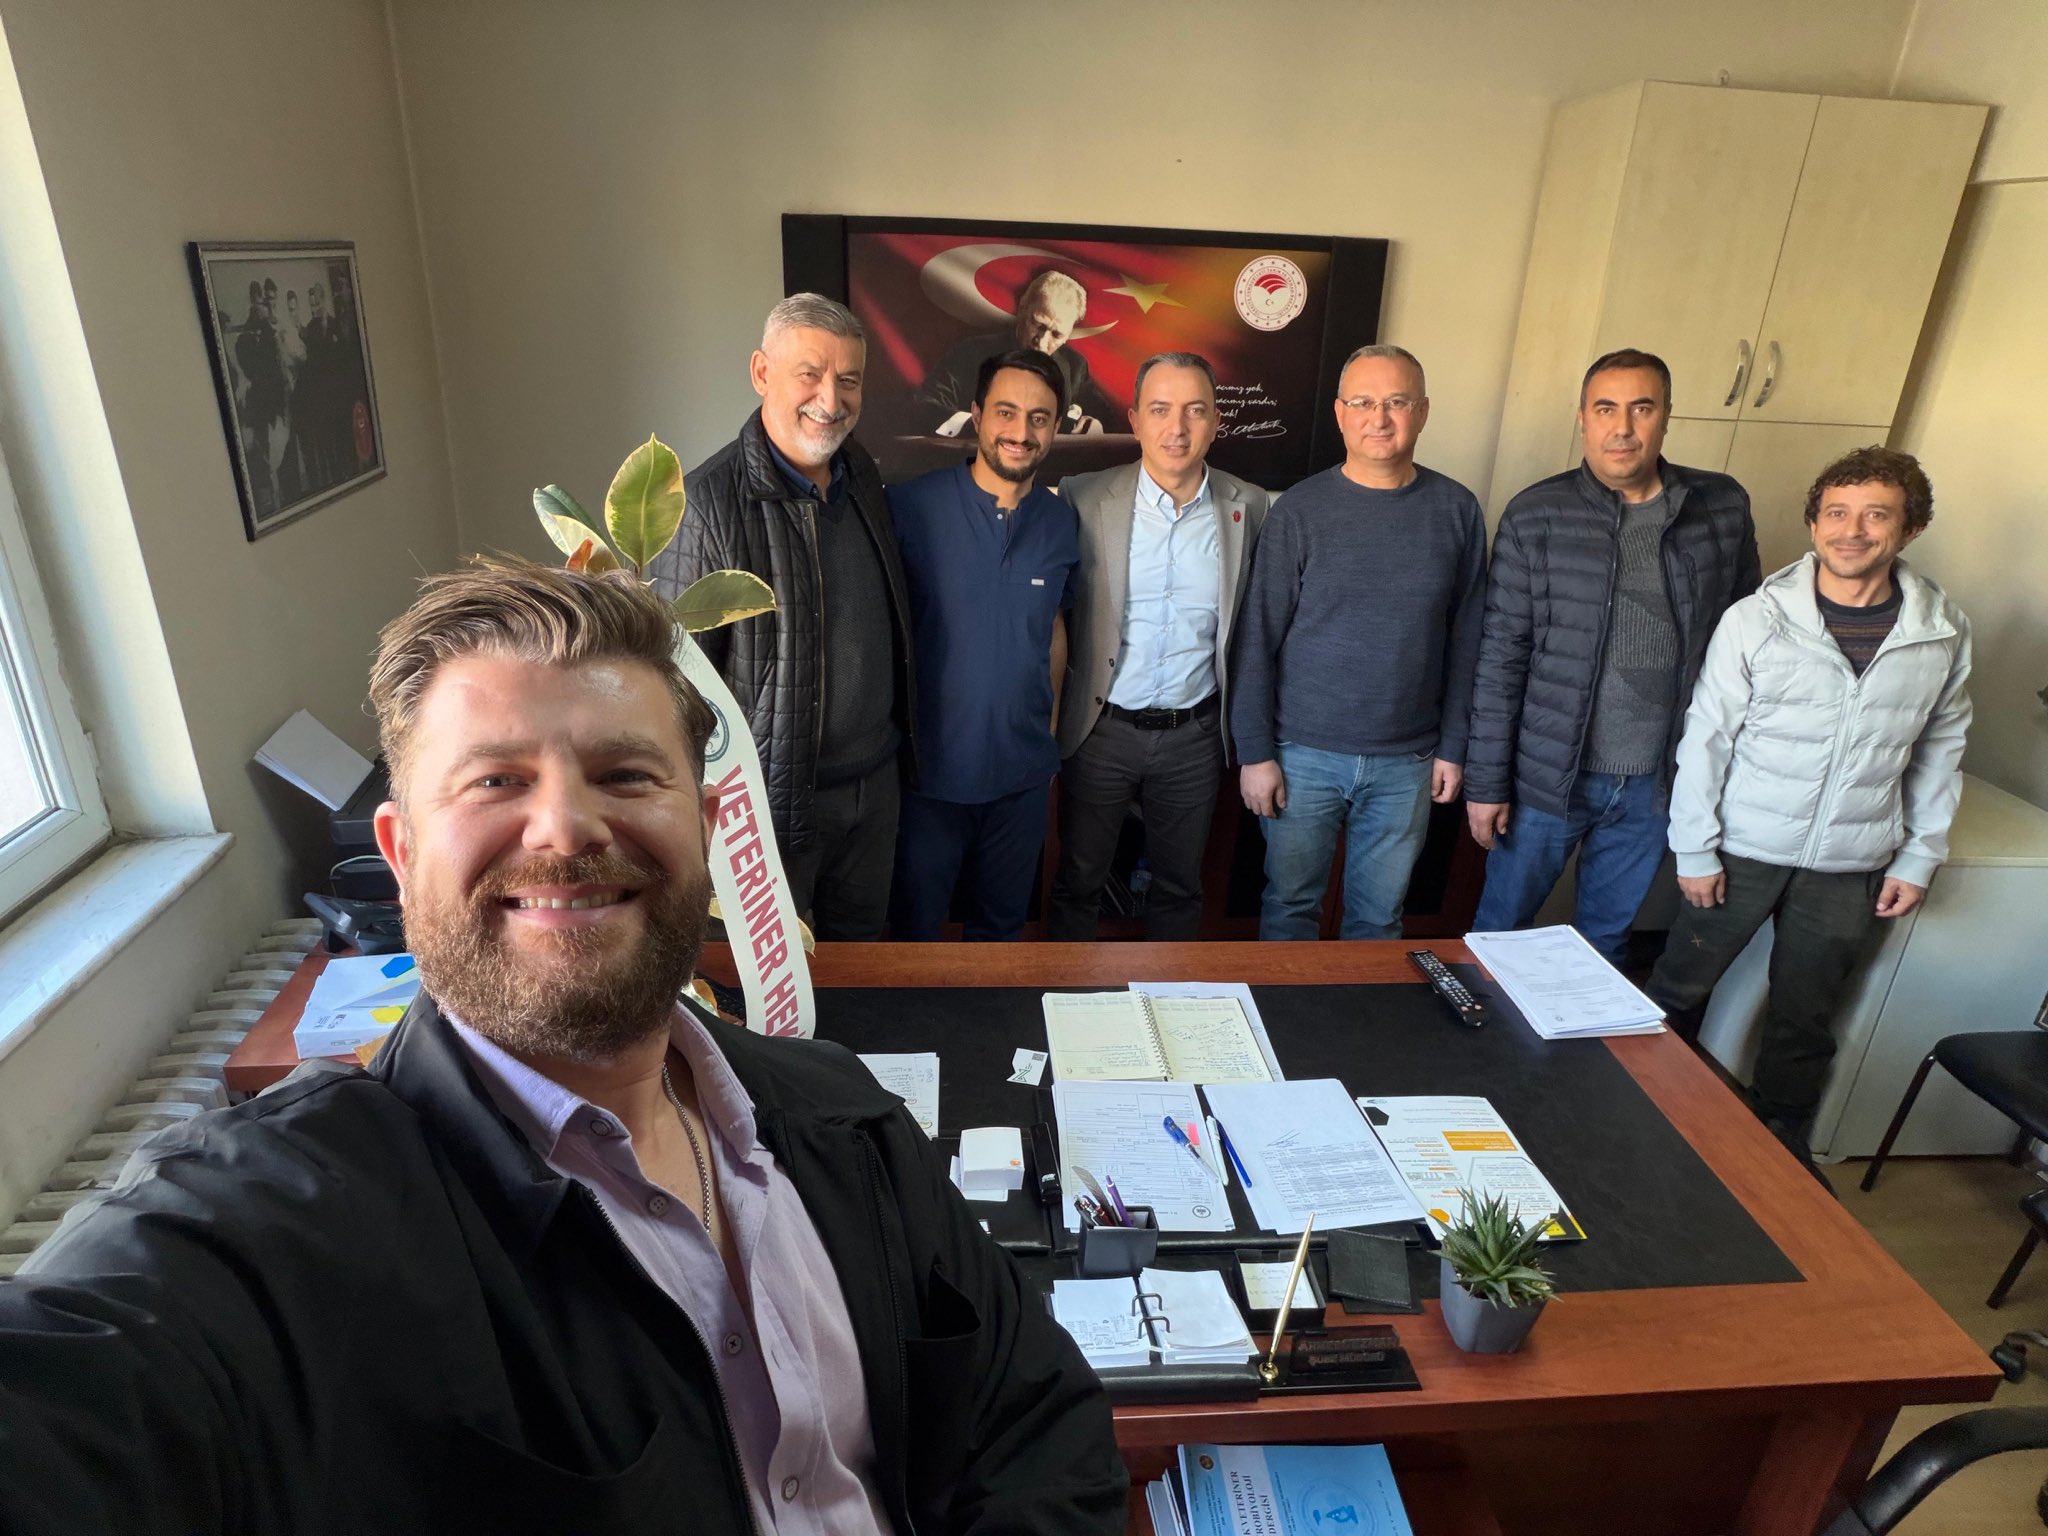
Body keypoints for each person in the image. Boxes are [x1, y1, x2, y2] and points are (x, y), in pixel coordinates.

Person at [0, 558, 1125, 1536]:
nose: (566, 828)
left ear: (707, 828)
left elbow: (1032, 1420)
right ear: (399, 853)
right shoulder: (274, 1230)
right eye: (496, 780)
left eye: (626, 775)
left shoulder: (844, 1114)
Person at [1647, 448, 1970, 1157]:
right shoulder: (1756, 619)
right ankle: (1641, 1113)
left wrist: (1919, 856)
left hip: (1851, 859)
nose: (1851, 531)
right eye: (1836, 513)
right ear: (1814, 523)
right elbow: (1707, 738)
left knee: (1805, 1017)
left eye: (1875, 515)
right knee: (1678, 988)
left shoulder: (1940, 631)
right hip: (1741, 847)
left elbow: (1941, 748)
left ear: (1910, 528)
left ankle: (1778, 1149)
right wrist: (1694, 847)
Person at [1464, 349, 1761, 967]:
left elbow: (1747, 644)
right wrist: (1486, 783)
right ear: (1583, 418)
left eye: (1641, 408)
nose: (1622, 427)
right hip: (1548, 778)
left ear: (1666, 416)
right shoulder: (1536, 514)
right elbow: (1501, 657)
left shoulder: (1721, 508)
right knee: (1499, 933)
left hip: (1657, 781)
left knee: (1605, 942)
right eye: (1605, 409)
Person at [649, 294, 917, 940]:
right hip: (771, 806)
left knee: (863, 964)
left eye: (848, 379)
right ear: (762, 372)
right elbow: (678, 689)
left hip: (874, 790)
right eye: (810, 374)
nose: (831, 399)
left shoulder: (860, 473)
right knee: (766, 981)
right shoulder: (706, 504)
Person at [1230, 345, 1486, 939]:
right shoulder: (1299, 511)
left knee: (1378, 919)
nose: (1380, 418)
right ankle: (1284, 1005)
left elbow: (1469, 643)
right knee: (1289, 907)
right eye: (1364, 402)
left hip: (1408, 762)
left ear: (1422, 412)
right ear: (1340, 413)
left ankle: (1361, 1007)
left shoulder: (1457, 510)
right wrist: (1255, 753)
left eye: (1396, 402)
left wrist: (1454, 747)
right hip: (1302, 756)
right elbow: (1256, 639)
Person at [1047, 351, 1269, 939]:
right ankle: (1065, 991)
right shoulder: (1082, 497)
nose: (1177, 428)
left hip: (1195, 736)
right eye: (1161, 409)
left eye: (1195, 410)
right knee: (1078, 882)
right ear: (1135, 419)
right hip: (1100, 731)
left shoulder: (1249, 505)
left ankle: (1172, 992)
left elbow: (1255, 630)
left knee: (1180, 888)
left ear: (1216, 421)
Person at [888, 349, 1080, 940]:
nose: (1021, 432)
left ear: (1056, 426)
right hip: (928, 776)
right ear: (976, 415)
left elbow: (1053, 629)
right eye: (1006, 412)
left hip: (1022, 777)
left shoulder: (1061, 522)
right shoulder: (909, 507)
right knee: (915, 936)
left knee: (1001, 937)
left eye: (1039, 418)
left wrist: (1048, 731)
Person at [918, 269, 1115, 433]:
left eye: (1056, 334)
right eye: (1038, 324)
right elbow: (924, 406)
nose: (1041, 342)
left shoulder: (1075, 365)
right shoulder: (971, 353)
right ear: (1022, 309)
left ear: (1068, 335)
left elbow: (1104, 417)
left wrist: (1095, 425)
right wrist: (980, 426)